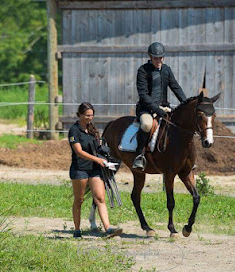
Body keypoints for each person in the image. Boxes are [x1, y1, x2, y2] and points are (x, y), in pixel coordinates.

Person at [68, 102, 123, 238]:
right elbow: (79, 152)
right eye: (87, 115)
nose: (89, 118)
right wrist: (97, 159)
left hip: (94, 169)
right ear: (79, 114)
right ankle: (77, 230)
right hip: (80, 168)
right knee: (79, 200)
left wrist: (104, 151)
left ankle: (108, 229)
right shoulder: (74, 130)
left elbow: (97, 147)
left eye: (92, 115)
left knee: (100, 198)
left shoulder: (92, 129)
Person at [132, 42, 187, 170]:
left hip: (163, 107)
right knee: (146, 124)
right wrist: (156, 109)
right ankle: (139, 155)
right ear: (150, 57)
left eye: (161, 57)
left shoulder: (166, 70)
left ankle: (184, 157)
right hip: (146, 109)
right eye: (156, 58)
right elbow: (143, 95)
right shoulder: (143, 71)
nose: (159, 60)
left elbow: (176, 87)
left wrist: (186, 103)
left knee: (180, 123)